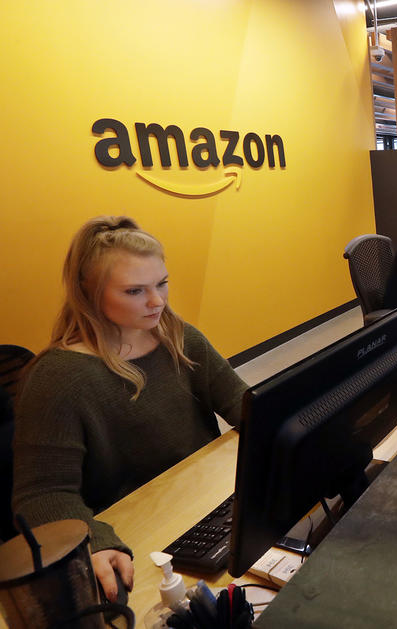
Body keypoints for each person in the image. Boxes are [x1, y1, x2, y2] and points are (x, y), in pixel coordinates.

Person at [11, 216, 249, 603]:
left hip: (201, 505)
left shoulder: (178, 336)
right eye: (135, 291)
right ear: (89, 295)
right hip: (135, 535)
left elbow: (242, 402)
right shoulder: (57, 378)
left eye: (162, 283)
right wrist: (94, 541)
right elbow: (41, 495)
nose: (157, 301)